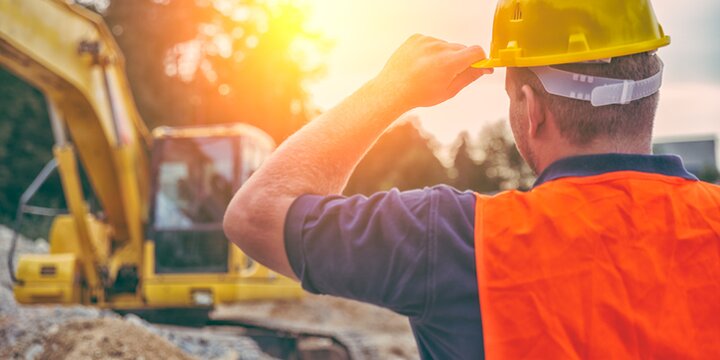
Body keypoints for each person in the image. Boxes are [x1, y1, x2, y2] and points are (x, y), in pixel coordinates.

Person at [224, 0, 720, 358]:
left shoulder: (456, 239)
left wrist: (390, 91)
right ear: (649, 92)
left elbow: (255, 214)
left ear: (530, 109)